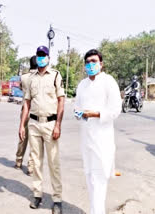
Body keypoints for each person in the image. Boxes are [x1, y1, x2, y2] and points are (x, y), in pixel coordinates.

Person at [74, 49, 121, 214]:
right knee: (90, 178)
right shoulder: (82, 84)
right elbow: (77, 107)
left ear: (101, 64)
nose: (90, 65)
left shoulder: (108, 82)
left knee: (100, 180)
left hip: (102, 139)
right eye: (87, 62)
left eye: (94, 61)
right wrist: (79, 113)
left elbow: (115, 110)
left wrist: (94, 114)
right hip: (86, 139)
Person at [19, 46, 65, 214]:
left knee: (54, 163)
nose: (41, 58)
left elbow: (61, 101)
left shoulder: (55, 75)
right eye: (38, 55)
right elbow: (27, 104)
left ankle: (57, 199)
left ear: (48, 57)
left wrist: (58, 125)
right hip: (33, 124)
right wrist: (21, 125)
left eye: (43, 55)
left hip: (50, 124)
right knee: (36, 162)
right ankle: (37, 194)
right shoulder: (31, 79)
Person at [14, 55, 37, 176]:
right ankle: (30, 167)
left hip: (24, 109)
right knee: (34, 139)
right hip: (35, 111)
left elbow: (21, 88)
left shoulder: (23, 77)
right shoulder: (39, 77)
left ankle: (18, 161)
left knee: (23, 136)